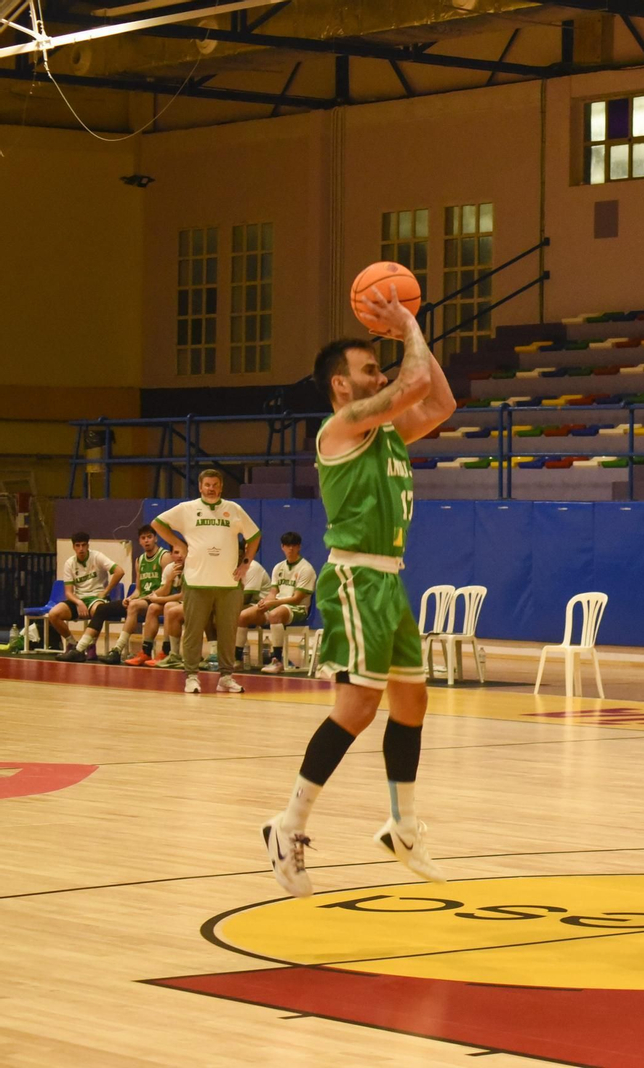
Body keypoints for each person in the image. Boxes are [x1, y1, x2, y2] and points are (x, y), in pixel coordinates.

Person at [261, 282, 457, 898]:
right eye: (371, 368)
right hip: (354, 576)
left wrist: (409, 333)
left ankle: (401, 824)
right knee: (357, 709)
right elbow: (416, 385)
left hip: (389, 579)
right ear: (342, 385)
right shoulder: (341, 427)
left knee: (412, 704)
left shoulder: (390, 432)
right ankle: (286, 826)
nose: (383, 375)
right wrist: (409, 329)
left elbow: (441, 400)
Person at [151, 471, 260, 694]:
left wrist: (246, 563)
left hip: (229, 584)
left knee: (228, 632)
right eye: (207, 485)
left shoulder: (234, 509)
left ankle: (226, 677)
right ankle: (191, 676)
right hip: (196, 581)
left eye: (215, 485)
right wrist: (177, 543)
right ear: (200, 487)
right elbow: (157, 523)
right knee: (193, 630)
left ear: (221, 488)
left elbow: (254, 536)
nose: (211, 488)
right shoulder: (186, 509)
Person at [236, 531, 317, 674]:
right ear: (282, 547)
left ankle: (277, 660)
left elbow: (297, 598)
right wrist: (264, 602)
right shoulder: (278, 567)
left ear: (299, 547)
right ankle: (237, 659)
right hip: (277, 605)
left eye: (294, 545)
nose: (290, 549)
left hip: (298, 608)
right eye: (287, 545)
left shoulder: (306, 569)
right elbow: (273, 592)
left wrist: (273, 603)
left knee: (275, 614)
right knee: (243, 616)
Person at [47, 532, 123, 658]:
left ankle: (91, 645)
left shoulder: (97, 557)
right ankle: (71, 643)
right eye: (78, 546)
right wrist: (79, 602)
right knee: (54, 614)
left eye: (83, 545)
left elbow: (119, 571)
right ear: (73, 547)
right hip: (79, 599)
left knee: (98, 610)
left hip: (96, 598)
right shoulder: (69, 563)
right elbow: (68, 592)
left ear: (88, 546)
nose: (81, 549)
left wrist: (105, 592)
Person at [107, 525, 170, 665]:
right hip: (147, 599)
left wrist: (146, 597)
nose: (146, 540)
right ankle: (118, 649)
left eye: (149, 537)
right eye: (143, 538)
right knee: (132, 604)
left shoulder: (164, 556)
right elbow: (138, 589)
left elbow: (166, 586)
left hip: (162, 598)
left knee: (148, 605)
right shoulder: (139, 560)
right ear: (139, 541)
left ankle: (152, 651)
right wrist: (130, 597)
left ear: (155, 538)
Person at [138, 545, 187, 668]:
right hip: (174, 601)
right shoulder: (170, 568)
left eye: (183, 552)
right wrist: (170, 580)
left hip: (189, 602)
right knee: (153, 607)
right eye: (176, 552)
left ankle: (167, 650)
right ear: (171, 555)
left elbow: (183, 596)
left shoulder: (191, 568)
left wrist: (159, 599)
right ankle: (146, 650)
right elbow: (165, 591)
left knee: (168, 606)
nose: (180, 555)